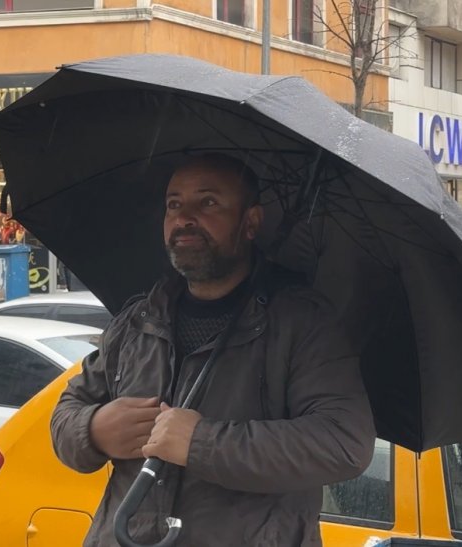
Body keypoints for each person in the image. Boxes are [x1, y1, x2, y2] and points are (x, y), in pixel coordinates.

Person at [50, 154, 376, 546]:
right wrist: (94, 429)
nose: (184, 218)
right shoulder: (139, 319)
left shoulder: (303, 324)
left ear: (250, 222)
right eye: (174, 204)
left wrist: (201, 442)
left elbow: (343, 443)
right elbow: (66, 412)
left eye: (208, 202)